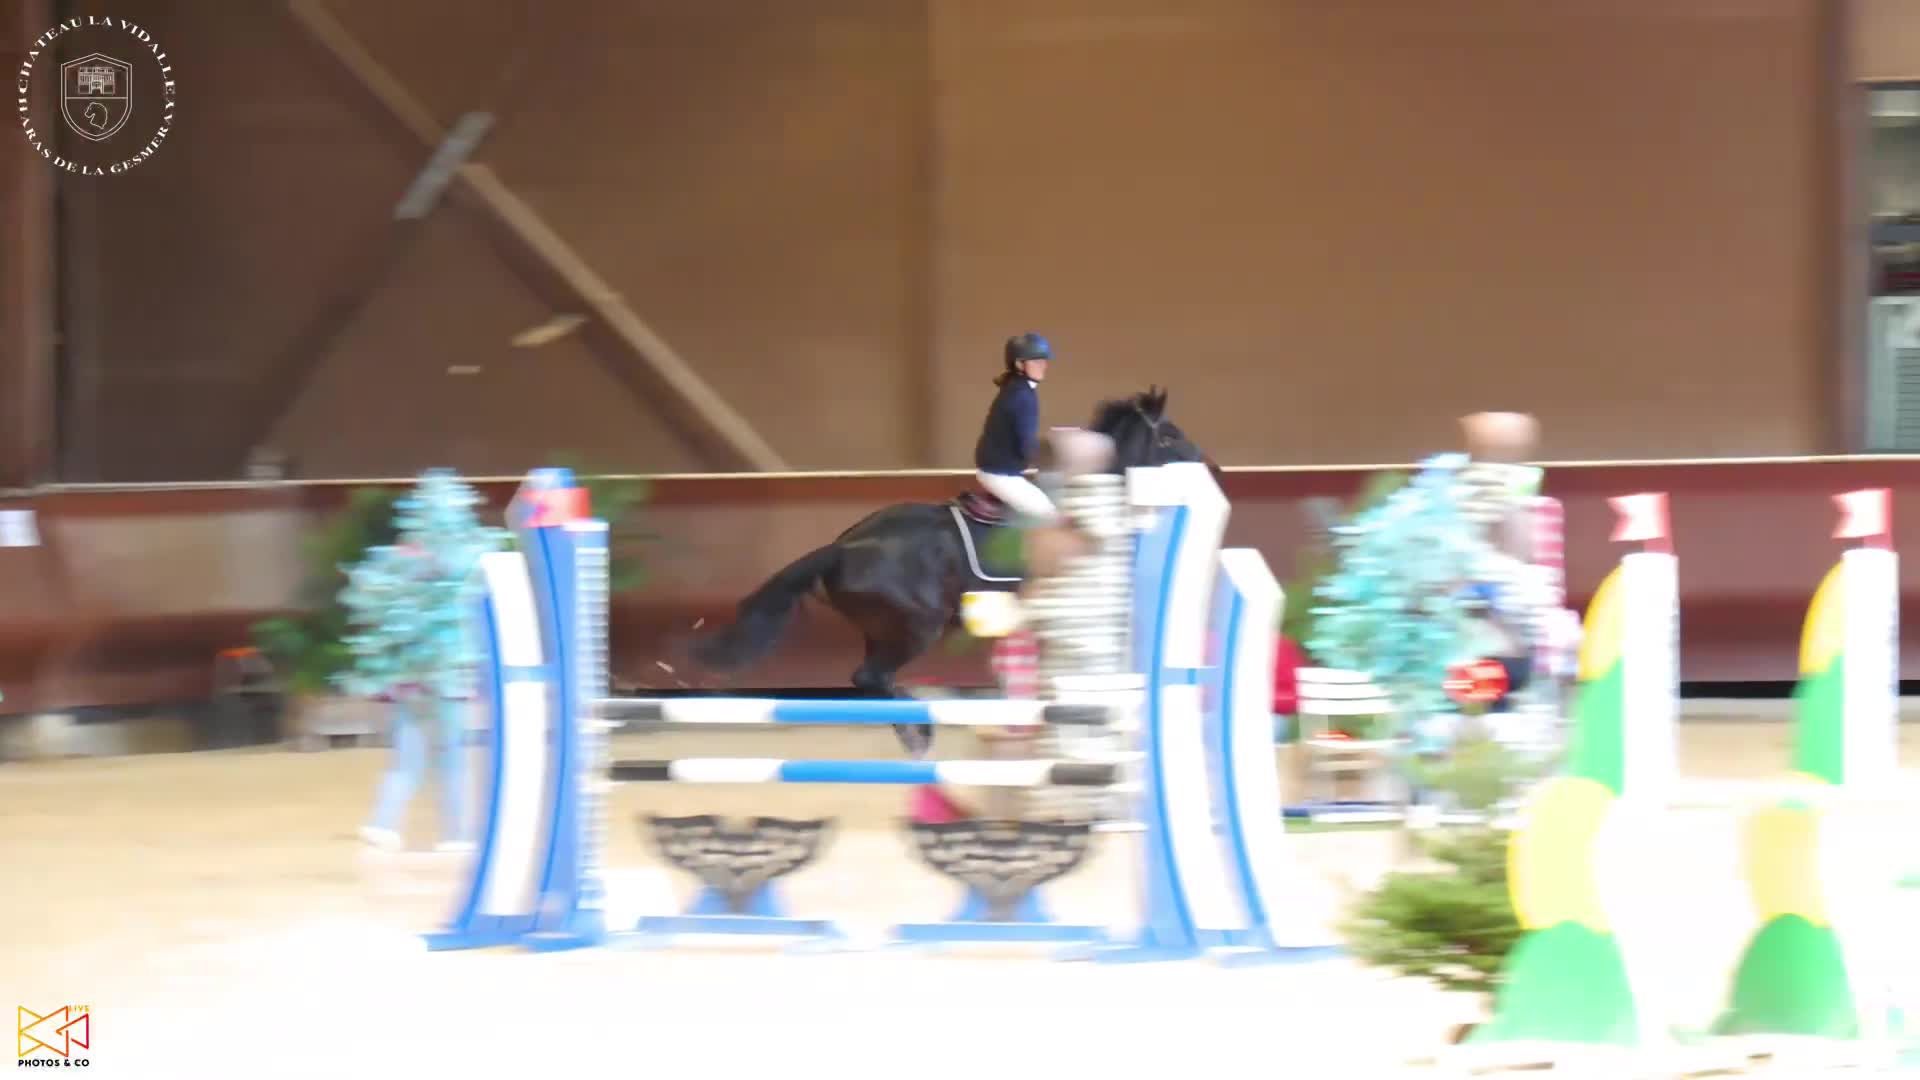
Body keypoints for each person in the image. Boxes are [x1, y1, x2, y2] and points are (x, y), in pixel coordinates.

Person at [973, 332, 1058, 522]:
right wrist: (1055, 456)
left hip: (998, 471)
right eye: (1036, 361)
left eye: (1044, 361)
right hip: (1001, 475)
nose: (1043, 366)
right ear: (1019, 364)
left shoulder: (1015, 388)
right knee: (1048, 515)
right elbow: (1027, 447)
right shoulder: (1022, 396)